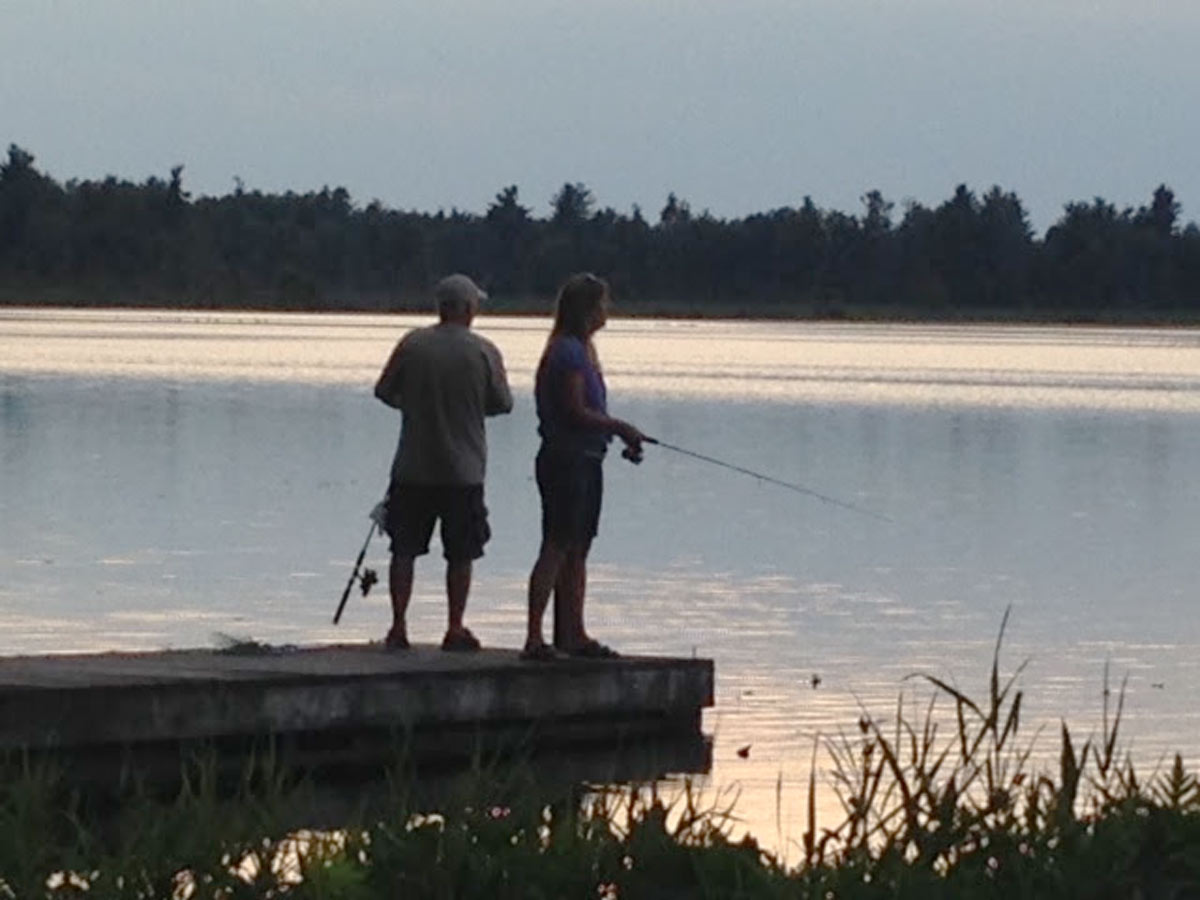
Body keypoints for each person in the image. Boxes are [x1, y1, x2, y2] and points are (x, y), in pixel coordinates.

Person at [374, 274, 513, 651]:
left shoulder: (412, 344)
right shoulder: (483, 351)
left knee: (403, 549)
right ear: (467, 309)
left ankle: (398, 627)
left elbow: (383, 390)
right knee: (462, 552)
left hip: (412, 466)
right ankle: (454, 626)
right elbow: (503, 403)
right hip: (463, 470)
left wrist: (414, 404)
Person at [522, 273, 645, 661]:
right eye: (603, 304)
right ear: (587, 309)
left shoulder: (582, 349)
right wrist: (620, 427)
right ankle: (534, 638)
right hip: (566, 459)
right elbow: (575, 411)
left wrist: (615, 435)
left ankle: (572, 633)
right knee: (557, 545)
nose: (607, 311)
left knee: (579, 549)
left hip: (587, 458)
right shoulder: (568, 352)